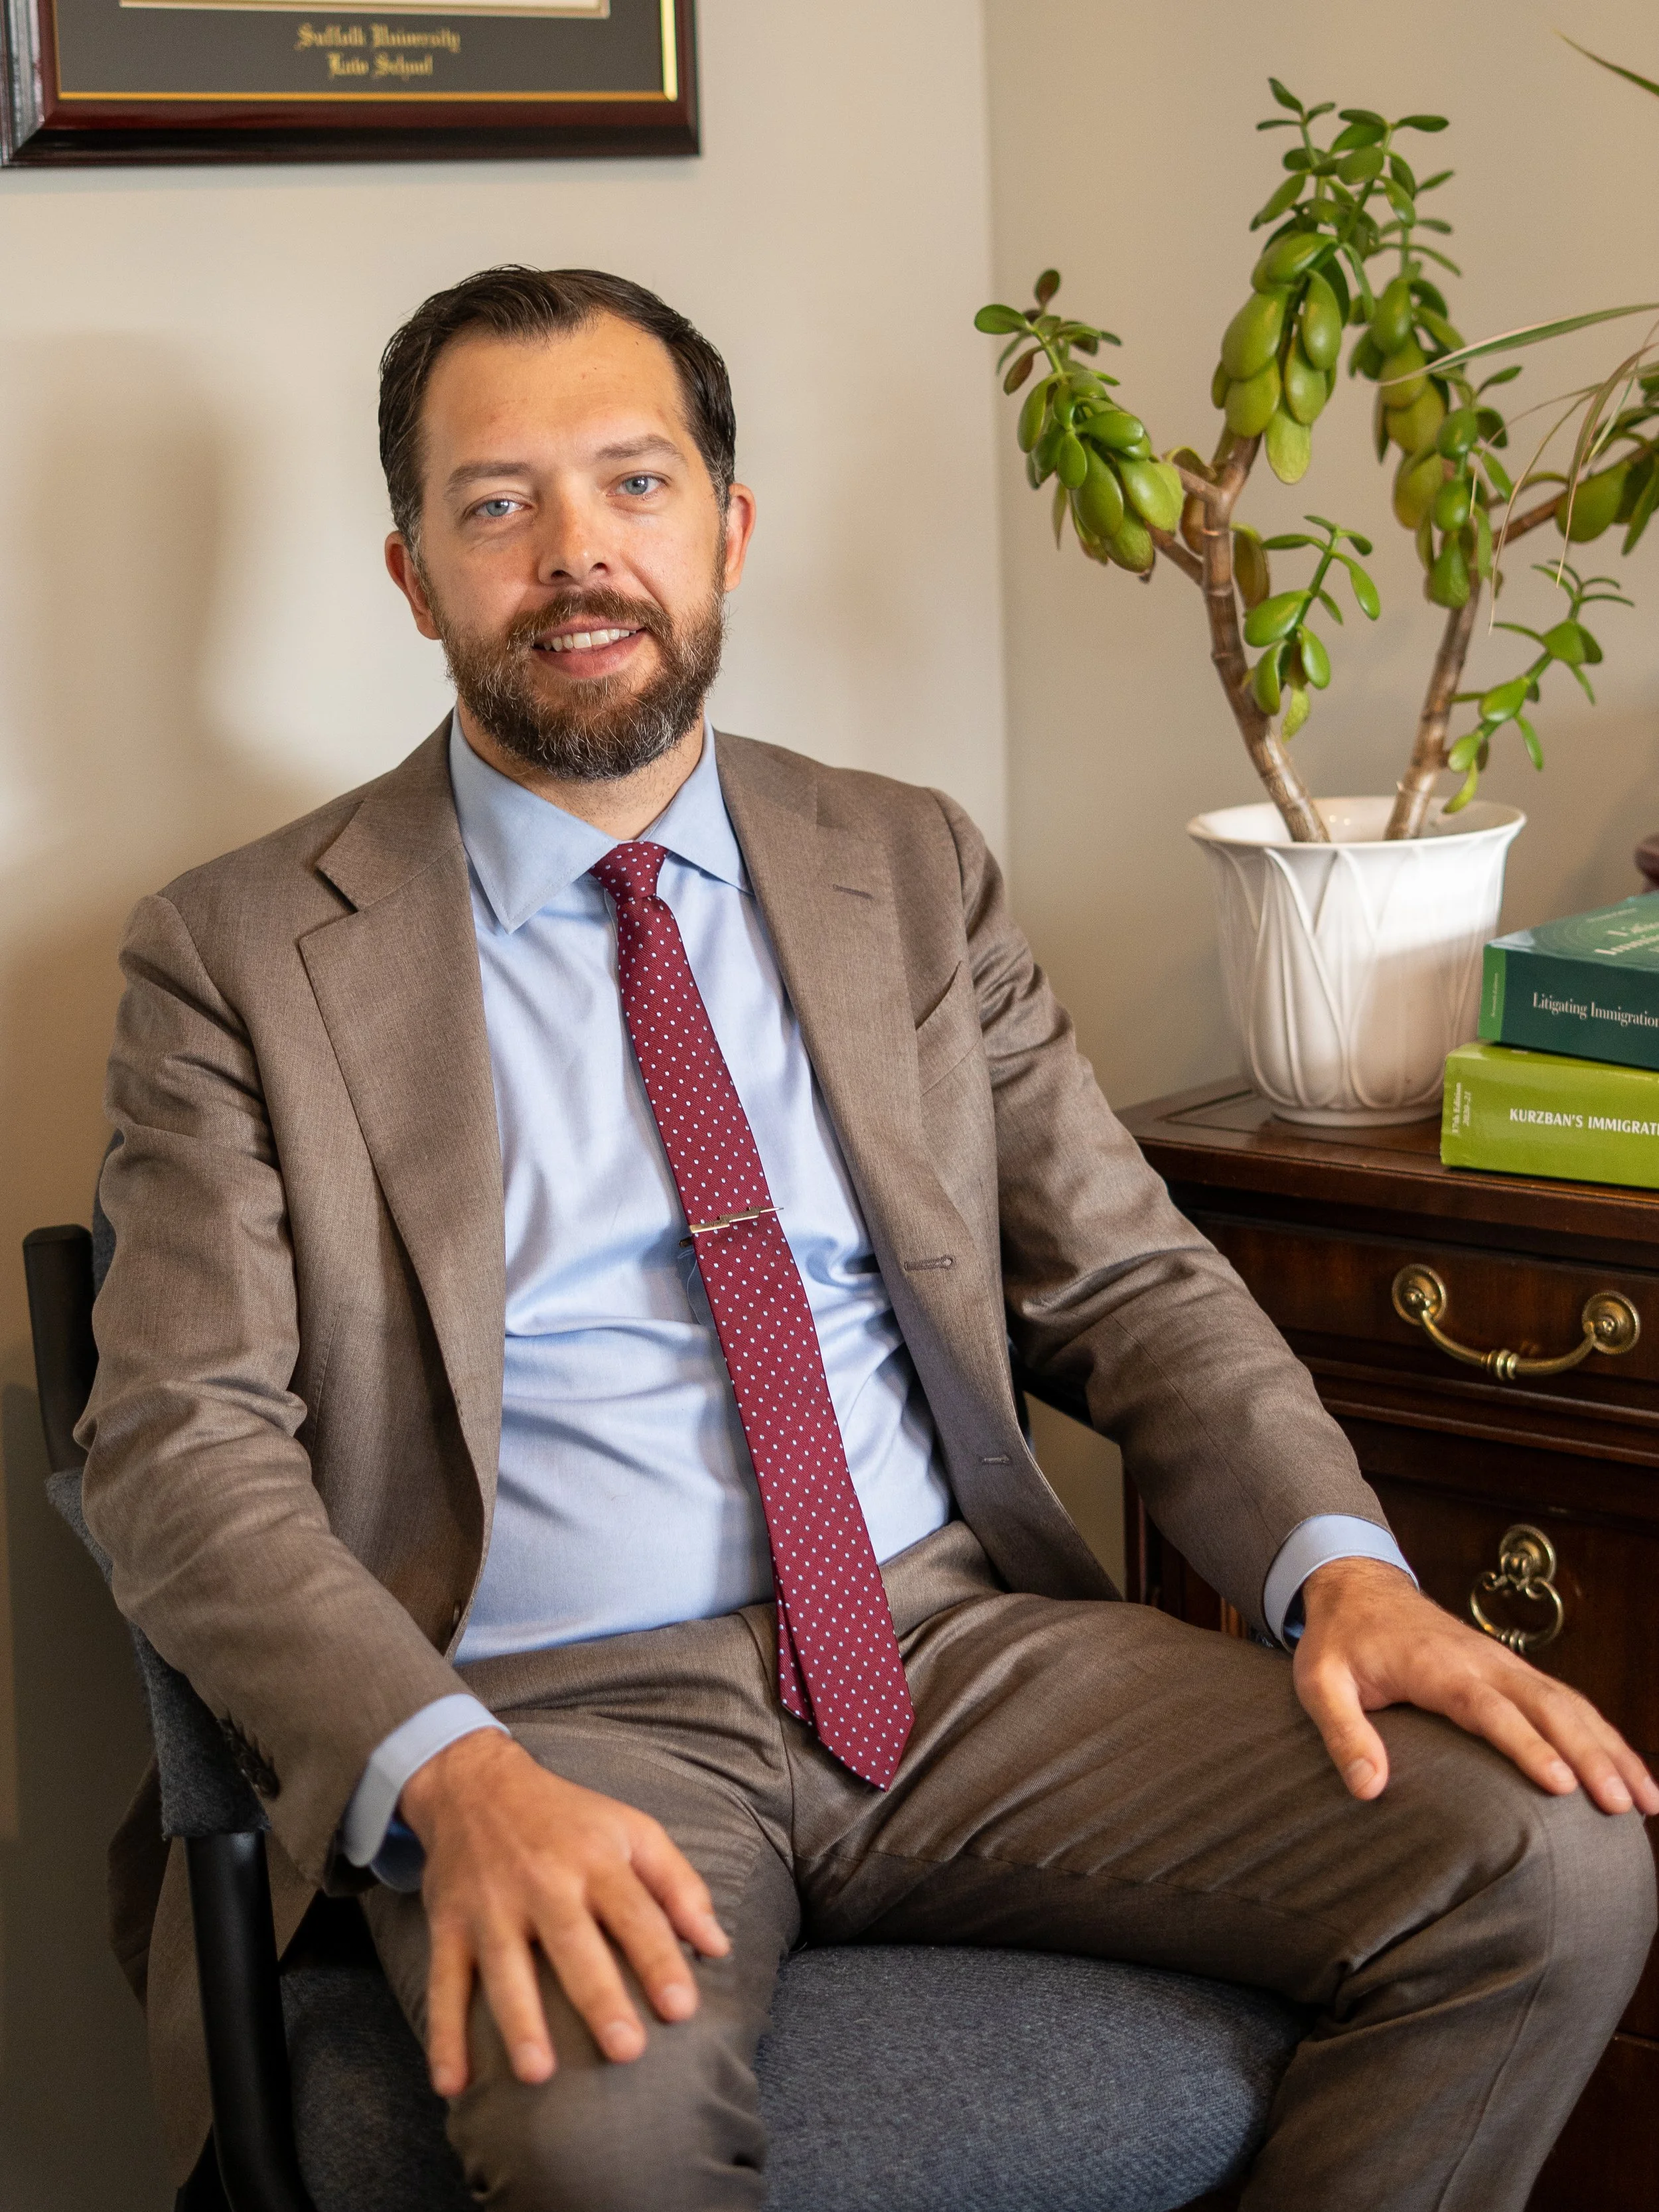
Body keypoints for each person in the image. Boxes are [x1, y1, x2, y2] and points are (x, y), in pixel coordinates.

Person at [82, 266, 1656, 2212]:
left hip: (946, 1652)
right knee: (598, 2131)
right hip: (552, 1699)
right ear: (412, 573)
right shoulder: (240, 955)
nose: (578, 555)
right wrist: (451, 1772)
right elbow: (177, 1446)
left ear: (727, 531)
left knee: (1548, 1859)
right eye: (497, 504)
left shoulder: (901, 864)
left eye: (634, 484)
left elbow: (1129, 1277)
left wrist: (1343, 1574)